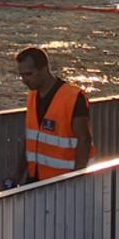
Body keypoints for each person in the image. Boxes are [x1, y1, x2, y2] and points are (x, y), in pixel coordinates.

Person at [17, 46, 95, 185]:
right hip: (36, 178)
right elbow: (30, 139)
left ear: (44, 69)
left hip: (64, 181)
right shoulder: (32, 96)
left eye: (28, 74)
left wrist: (77, 179)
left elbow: (84, 139)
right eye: (21, 75)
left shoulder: (73, 97)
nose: (24, 80)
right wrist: (17, 173)